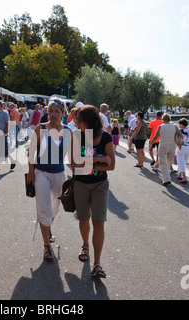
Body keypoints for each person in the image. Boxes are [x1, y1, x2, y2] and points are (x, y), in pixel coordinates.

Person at [71, 105, 115, 279]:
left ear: (87, 121)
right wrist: (99, 158)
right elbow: (75, 165)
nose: (75, 123)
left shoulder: (105, 137)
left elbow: (111, 166)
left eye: (78, 120)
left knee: (99, 222)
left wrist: (89, 163)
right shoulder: (77, 136)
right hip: (80, 184)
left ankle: (97, 263)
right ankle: (85, 245)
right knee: (83, 219)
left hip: (100, 184)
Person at [26, 100, 72, 262]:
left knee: (55, 209)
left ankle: (48, 228)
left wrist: (79, 176)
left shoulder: (68, 131)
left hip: (59, 174)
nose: (53, 114)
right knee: (44, 209)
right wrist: (31, 172)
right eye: (51, 111)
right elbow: (31, 152)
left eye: (57, 111)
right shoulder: (40, 128)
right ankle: (46, 246)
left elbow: (72, 158)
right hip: (41, 173)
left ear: (63, 113)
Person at [149, 113, 184, 186]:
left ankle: (166, 180)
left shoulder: (161, 126)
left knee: (162, 163)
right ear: (169, 119)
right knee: (168, 162)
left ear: (162, 119)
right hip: (172, 146)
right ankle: (166, 178)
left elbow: (155, 137)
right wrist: (179, 143)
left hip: (163, 145)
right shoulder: (174, 126)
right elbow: (181, 135)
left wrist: (151, 144)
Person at [0, 100, 15, 171]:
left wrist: (5, 133)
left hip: (2, 134)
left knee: (4, 152)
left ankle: (12, 161)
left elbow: (8, 124)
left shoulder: (5, 113)